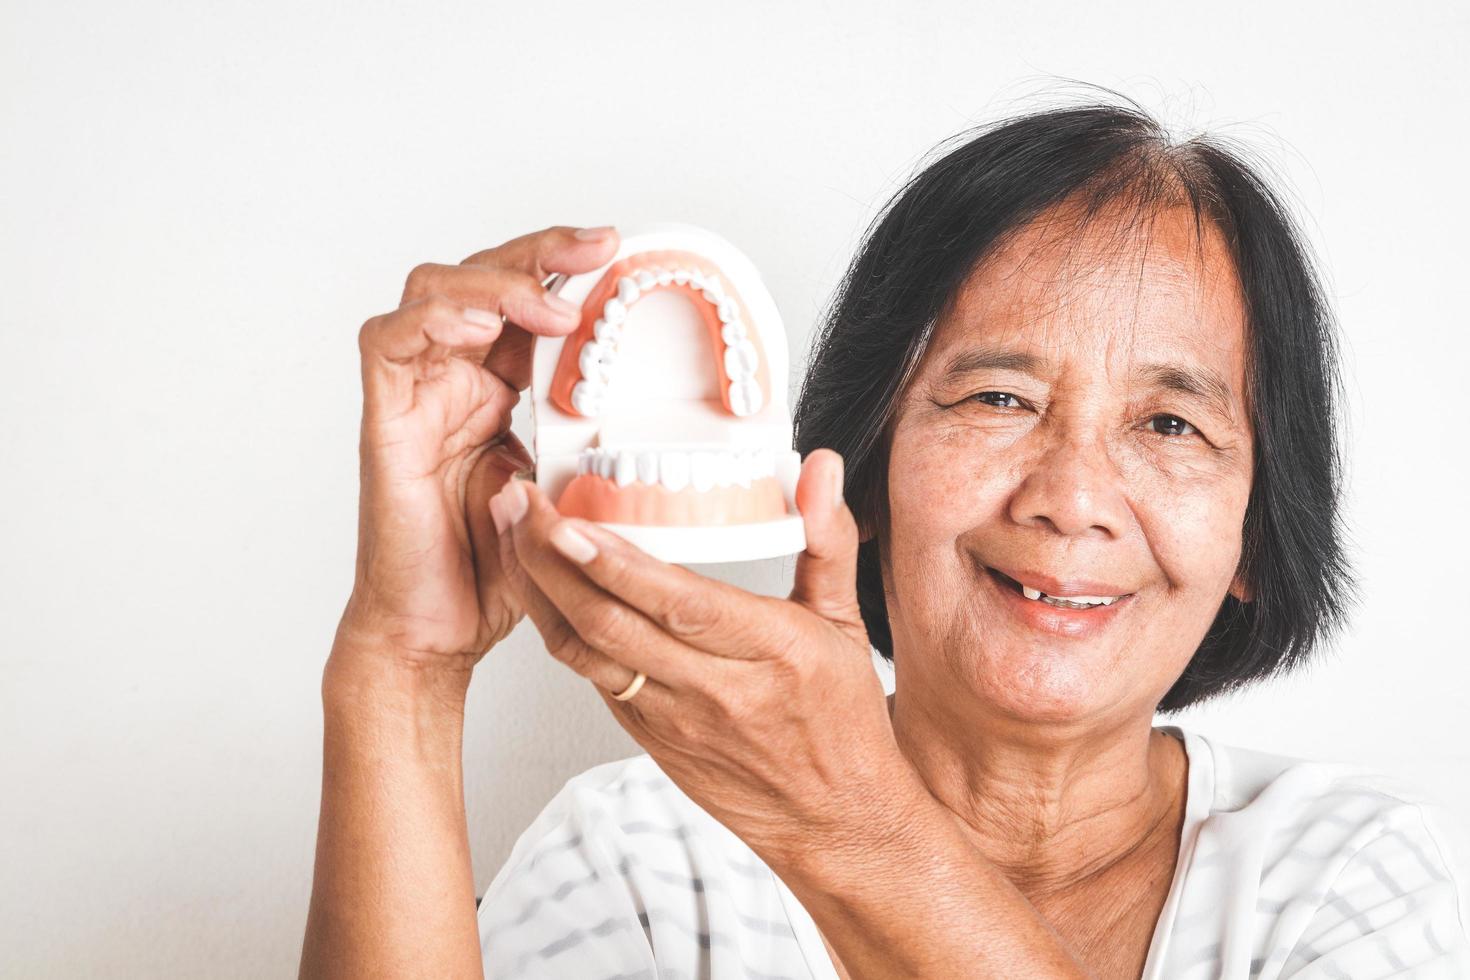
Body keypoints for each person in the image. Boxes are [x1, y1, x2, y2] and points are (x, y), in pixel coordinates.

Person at [298, 102, 1470, 979]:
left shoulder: (1344, 877)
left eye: (1170, 423)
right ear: (866, 465)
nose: (1072, 497)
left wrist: (849, 823)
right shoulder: (650, 862)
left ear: (1260, 532)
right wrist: (404, 666)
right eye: (999, 397)